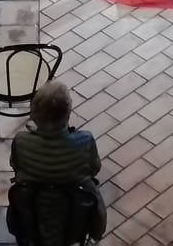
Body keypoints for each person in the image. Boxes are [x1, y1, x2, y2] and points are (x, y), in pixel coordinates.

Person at [9, 81, 106, 243]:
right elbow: (95, 169)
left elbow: (15, 165)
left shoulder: (21, 141)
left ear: (34, 114)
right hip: (74, 225)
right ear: (67, 114)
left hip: (30, 221)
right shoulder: (85, 140)